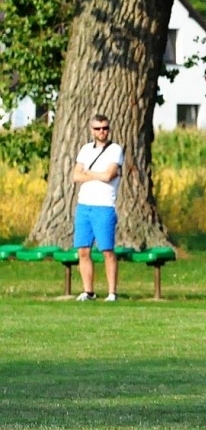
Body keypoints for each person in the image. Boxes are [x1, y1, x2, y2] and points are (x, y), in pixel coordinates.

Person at [70, 114, 123, 301]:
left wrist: (89, 173)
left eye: (105, 128)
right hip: (84, 205)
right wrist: (96, 175)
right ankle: (88, 291)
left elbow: (109, 175)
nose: (102, 132)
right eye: (98, 128)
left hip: (104, 205)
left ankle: (112, 292)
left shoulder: (115, 150)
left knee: (107, 250)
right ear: (92, 130)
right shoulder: (85, 149)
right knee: (83, 250)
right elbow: (76, 176)